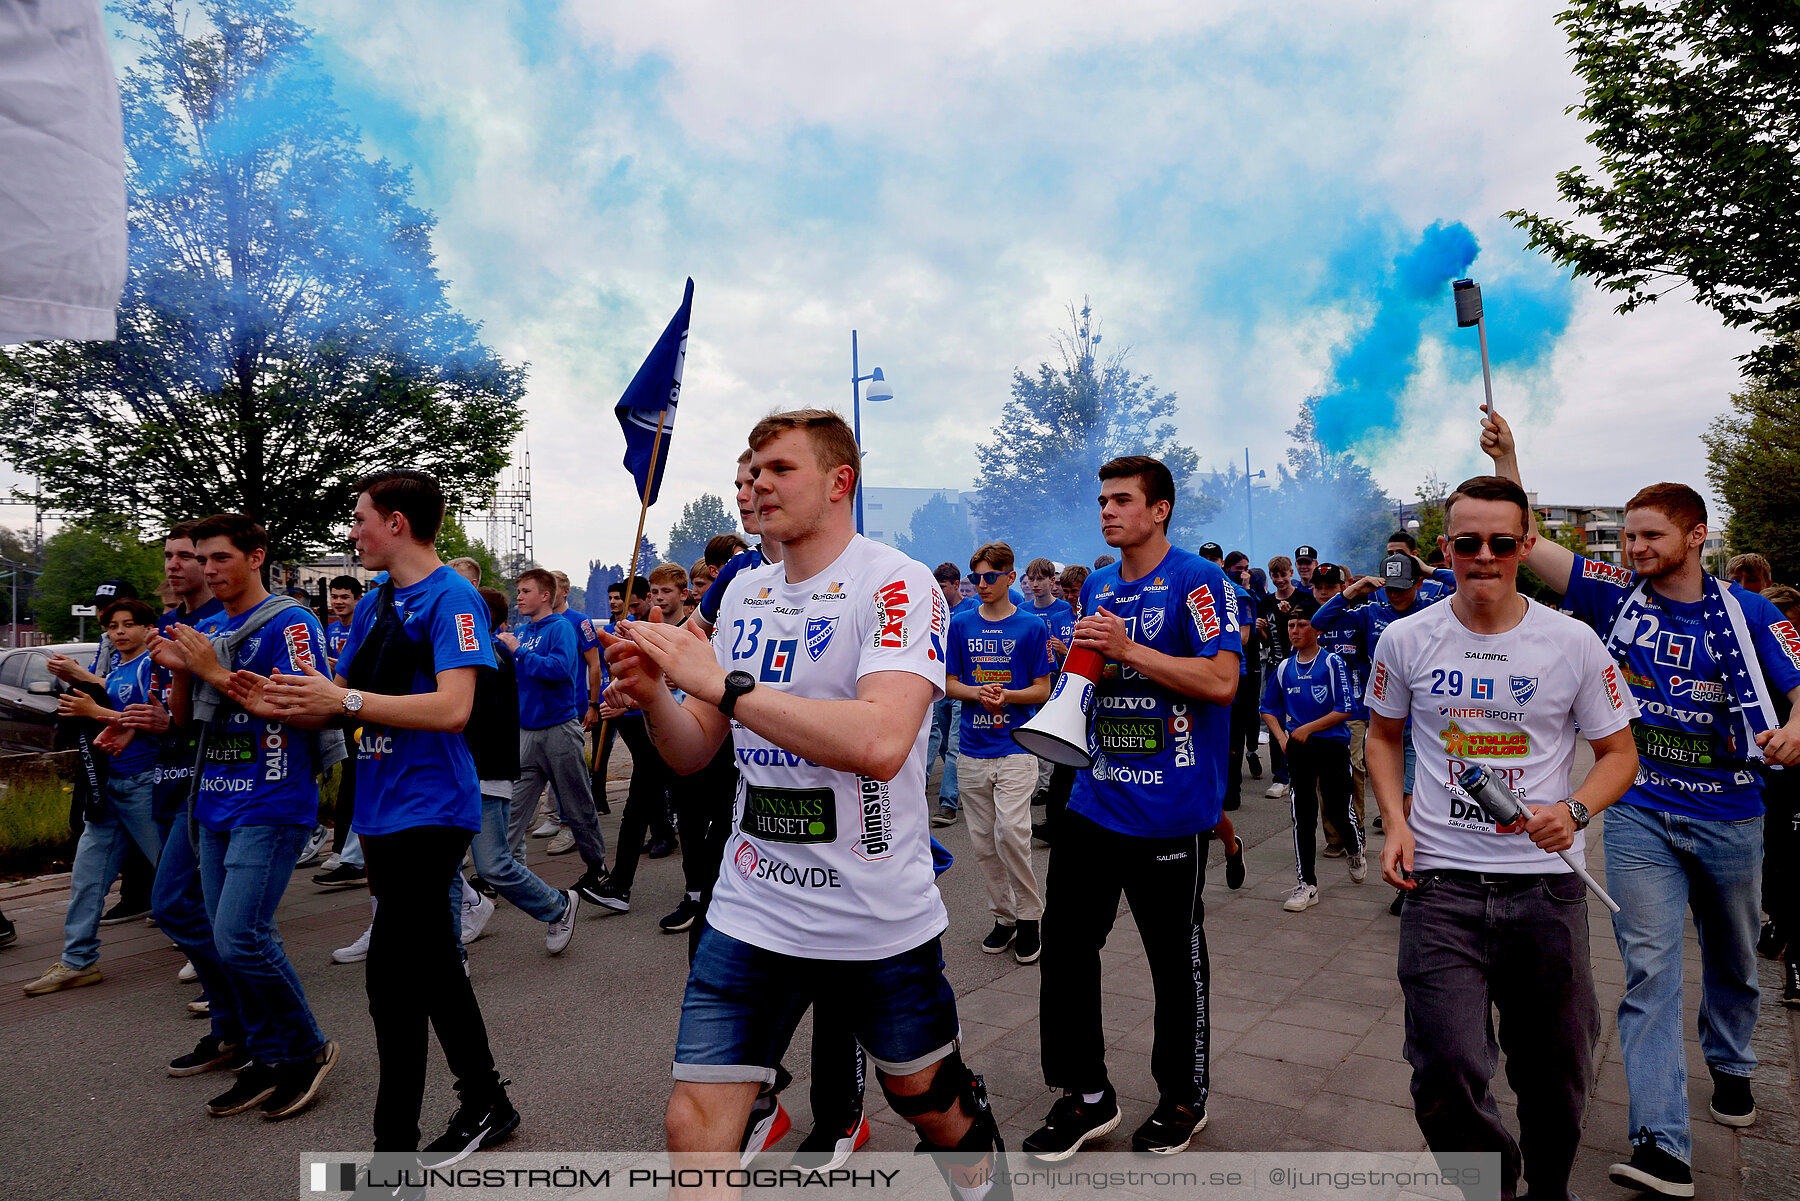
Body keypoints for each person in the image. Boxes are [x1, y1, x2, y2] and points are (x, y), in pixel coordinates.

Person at [601, 408, 1008, 1196]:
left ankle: (983, 1177)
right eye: (751, 470)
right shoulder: (745, 591)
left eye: (778, 468)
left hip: (874, 914)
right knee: (694, 1122)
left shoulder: (897, 581)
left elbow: (882, 740)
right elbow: (694, 750)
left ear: (838, 481)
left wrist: (719, 680)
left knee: (929, 1103)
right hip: (754, 904)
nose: (756, 483)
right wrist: (656, 695)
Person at [1482, 414, 1800, 1196]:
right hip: (1638, 809)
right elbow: (1530, 543)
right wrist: (1509, 459)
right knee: (1650, 967)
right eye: (1626, 536)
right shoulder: (1615, 596)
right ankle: (1662, 1144)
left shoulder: (1750, 613)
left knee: (1731, 959)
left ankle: (1730, 1061)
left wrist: (1796, 727)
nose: (1632, 549)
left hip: (1732, 814)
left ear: (1695, 535)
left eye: (1649, 535)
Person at [1369, 473, 1640, 1201]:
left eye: (1499, 541)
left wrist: (1576, 811)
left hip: (1547, 891)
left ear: (1524, 544)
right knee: (1444, 1067)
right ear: (1445, 548)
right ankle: (1492, 1187)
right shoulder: (1405, 636)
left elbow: (1621, 755)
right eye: (1466, 542)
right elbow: (1384, 738)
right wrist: (1395, 823)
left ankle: (1549, 1187)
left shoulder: (1573, 641)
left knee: (1558, 1072)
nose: (1482, 556)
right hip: (1439, 887)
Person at [262, 471, 518, 1168]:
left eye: (359, 517)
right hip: (379, 811)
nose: (352, 531)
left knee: (391, 978)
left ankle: (390, 1158)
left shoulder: (452, 596)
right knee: (435, 967)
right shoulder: (376, 601)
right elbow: (332, 696)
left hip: (431, 810)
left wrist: (342, 702)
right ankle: (487, 1100)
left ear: (396, 523)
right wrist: (249, 688)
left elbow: (452, 708)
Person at [1028, 456, 1240, 1160]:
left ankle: (1184, 1094)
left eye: (1121, 500)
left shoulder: (1197, 580)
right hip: (1094, 797)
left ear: (1160, 510)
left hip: (1171, 813)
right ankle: (1085, 1094)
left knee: (1173, 962)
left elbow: (1220, 679)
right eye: (1101, 501)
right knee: (1063, 946)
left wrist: (1130, 648)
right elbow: (1101, 673)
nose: (1107, 511)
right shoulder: (1095, 583)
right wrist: (1080, 666)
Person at [150, 514, 340, 1120]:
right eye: (201, 560)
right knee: (230, 941)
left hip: (273, 797)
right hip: (213, 799)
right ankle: (265, 1054)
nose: (207, 570)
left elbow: (313, 708)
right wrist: (182, 672)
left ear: (256, 557)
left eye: (220, 559)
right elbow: (185, 723)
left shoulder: (292, 621)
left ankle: (308, 1049)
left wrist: (208, 669)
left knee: (240, 936)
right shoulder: (209, 627)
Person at [25, 598, 165, 997]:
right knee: (87, 879)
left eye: (128, 624)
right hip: (108, 790)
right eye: (113, 626)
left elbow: (154, 722)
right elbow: (111, 700)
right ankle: (78, 961)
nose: (119, 632)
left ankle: (215, 954)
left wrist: (91, 707)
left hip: (143, 784)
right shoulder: (117, 670)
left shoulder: (154, 666)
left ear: (147, 628)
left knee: (174, 878)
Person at [945, 542, 1054, 963]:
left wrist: (1006, 696)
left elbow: (1042, 690)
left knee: (1012, 833)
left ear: (1011, 577)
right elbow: (949, 683)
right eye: (976, 577)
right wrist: (977, 692)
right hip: (972, 750)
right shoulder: (961, 624)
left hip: (1016, 747)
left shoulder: (1031, 627)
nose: (982, 584)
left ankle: (1029, 916)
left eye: (991, 576)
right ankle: (1004, 916)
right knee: (983, 844)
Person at [502, 568, 609, 903]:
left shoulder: (561, 628)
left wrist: (519, 652)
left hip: (560, 730)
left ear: (545, 595)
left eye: (525, 591)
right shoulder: (522, 630)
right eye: (517, 590)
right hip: (527, 731)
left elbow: (560, 670)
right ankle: (497, 870)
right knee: (513, 809)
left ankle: (597, 869)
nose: (518, 596)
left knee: (577, 807)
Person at [1261, 610, 1363, 910]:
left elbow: (1346, 707)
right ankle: (1307, 884)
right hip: (1299, 749)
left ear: (1315, 630)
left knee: (1335, 809)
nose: (1295, 630)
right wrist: (1281, 737)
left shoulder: (1331, 663)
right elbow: (1268, 708)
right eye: (1291, 625)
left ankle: (1355, 848)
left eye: (1302, 625)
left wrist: (1308, 728)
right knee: (1302, 815)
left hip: (1331, 745)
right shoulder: (1284, 667)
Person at [1757, 584, 1800, 1009]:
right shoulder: (1757, 662)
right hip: (1767, 777)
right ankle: (1776, 924)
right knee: (1777, 856)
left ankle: (1795, 963)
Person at [929, 561, 967, 827]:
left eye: (943, 586)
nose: (939, 591)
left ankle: (948, 803)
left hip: (962, 686)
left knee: (953, 744)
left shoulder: (972, 610)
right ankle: (960, 784)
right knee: (941, 742)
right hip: (939, 686)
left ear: (956, 584)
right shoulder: (936, 613)